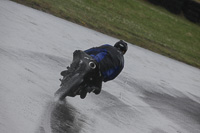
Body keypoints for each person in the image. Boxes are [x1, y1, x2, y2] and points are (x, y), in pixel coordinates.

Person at [61, 40, 128, 99]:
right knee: (97, 90)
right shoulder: (122, 62)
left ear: (115, 45)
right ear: (124, 51)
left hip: (91, 61)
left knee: (77, 52)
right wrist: (104, 79)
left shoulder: (108, 47)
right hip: (100, 74)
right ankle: (89, 88)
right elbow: (112, 76)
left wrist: (84, 53)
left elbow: (94, 50)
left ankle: (70, 70)